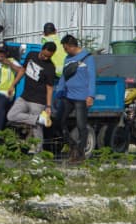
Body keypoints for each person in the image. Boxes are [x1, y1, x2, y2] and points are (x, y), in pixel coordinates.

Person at [53, 34, 94, 164]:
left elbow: (92, 77)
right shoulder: (67, 58)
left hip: (82, 98)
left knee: (81, 125)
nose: (65, 51)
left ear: (71, 46)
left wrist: (91, 95)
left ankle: (80, 154)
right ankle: (73, 146)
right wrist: (58, 92)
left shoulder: (88, 57)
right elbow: (63, 77)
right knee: (59, 122)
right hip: (67, 96)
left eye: (65, 48)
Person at [6, 41, 57, 142]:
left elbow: (49, 88)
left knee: (37, 129)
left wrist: (48, 106)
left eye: (48, 57)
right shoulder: (31, 55)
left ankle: (38, 155)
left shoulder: (50, 67)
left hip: (38, 101)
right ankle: (37, 119)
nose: (45, 58)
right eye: (44, 55)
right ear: (42, 49)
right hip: (24, 97)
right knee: (11, 115)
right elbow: (22, 70)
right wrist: (13, 85)